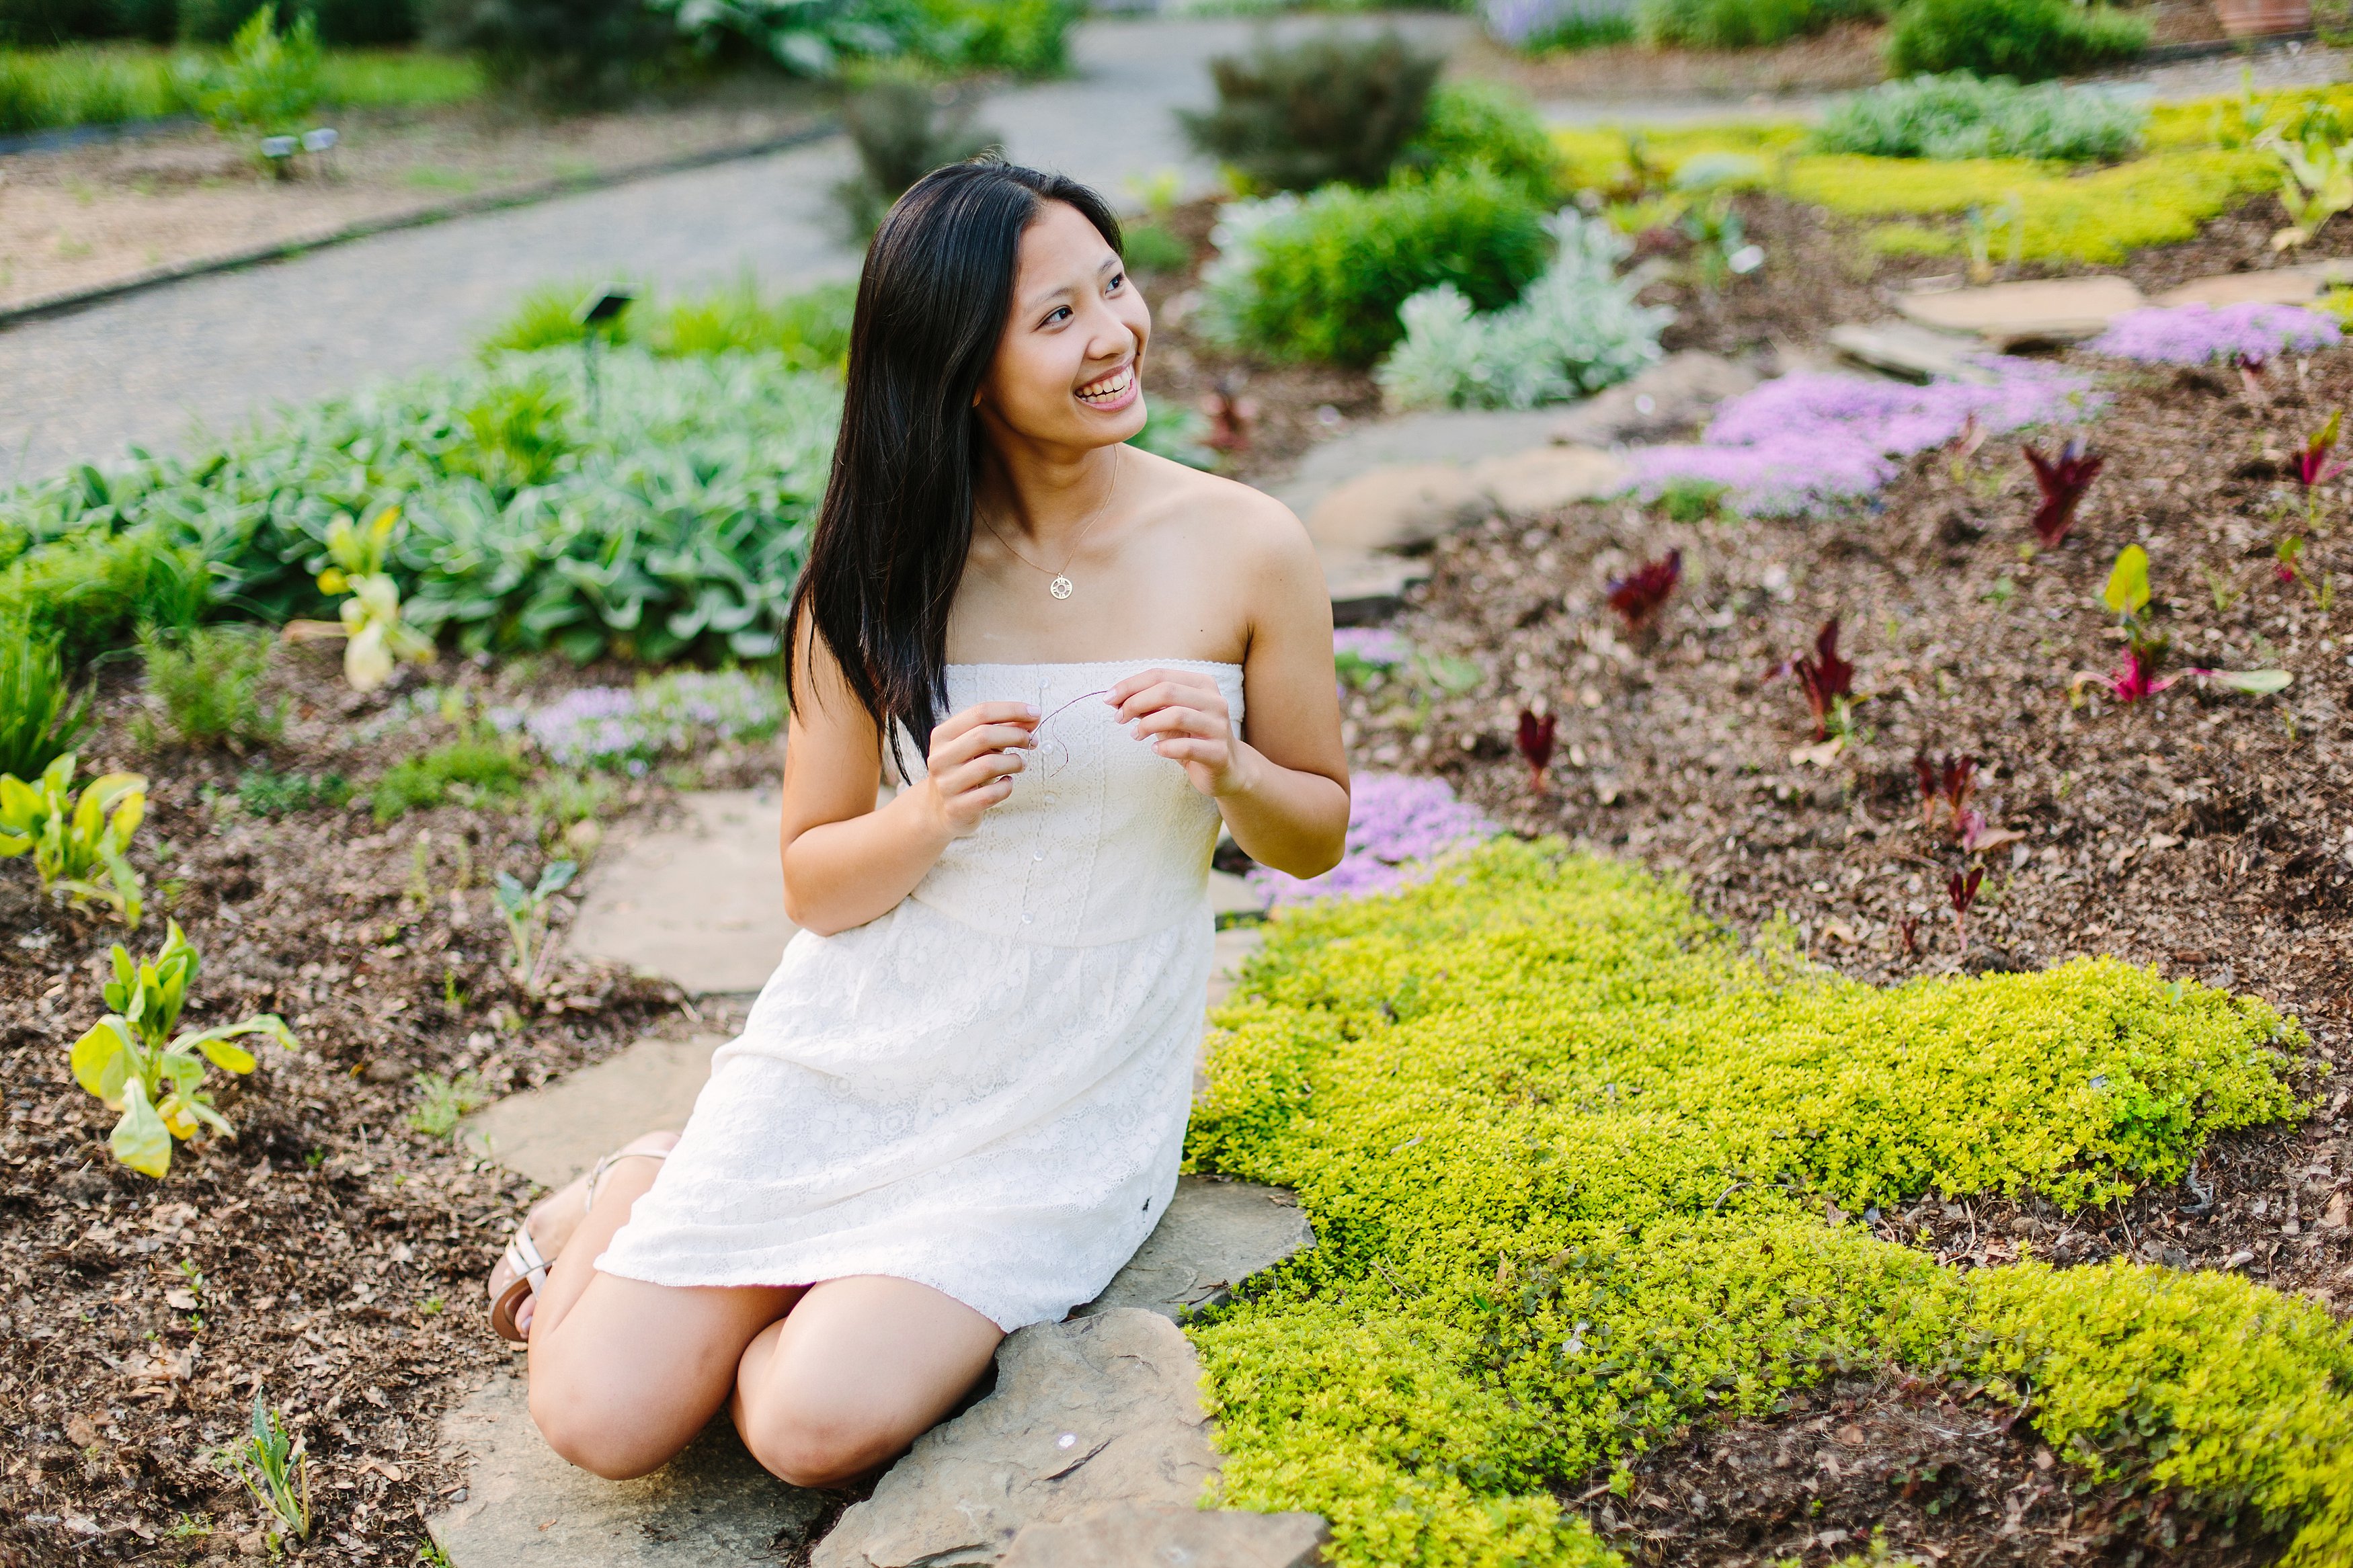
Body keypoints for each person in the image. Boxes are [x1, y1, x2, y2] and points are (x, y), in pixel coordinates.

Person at [482, 157, 1350, 1488]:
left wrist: (1230, 766)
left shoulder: (1244, 544)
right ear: (956, 368)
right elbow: (816, 885)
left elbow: (1317, 834)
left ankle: (775, 1266)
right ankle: (645, 1182)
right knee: (602, 1423)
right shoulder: (878, 573)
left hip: (1065, 1089)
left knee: (805, 1428)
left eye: (1113, 286)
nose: (1113, 334)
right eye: (1055, 318)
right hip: (863, 1045)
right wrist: (929, 811)